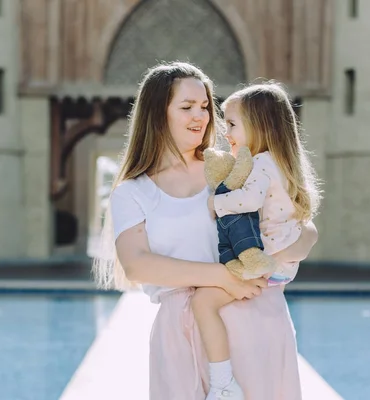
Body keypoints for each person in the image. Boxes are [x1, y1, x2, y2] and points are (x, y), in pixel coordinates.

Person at [93, 61, 319, 400]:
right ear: (158, 113)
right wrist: (220, 276)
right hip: (178, 333)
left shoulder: (231, 169)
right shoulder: (133, 190)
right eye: (186, 107)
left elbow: (299, 222)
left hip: (253, 316)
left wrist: (289, 250)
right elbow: (137, 264)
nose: (201, 116)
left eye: (205, 107)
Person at [190, 82, 322, 399]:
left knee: (203, 303)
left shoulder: (262, 163)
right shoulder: (284, 165)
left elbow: (248, 201)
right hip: (281, 268)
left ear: (259, 126)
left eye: (232, 124)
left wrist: (215, 204)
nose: (226, 132)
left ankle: (222, 383)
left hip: (265, 262)